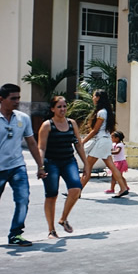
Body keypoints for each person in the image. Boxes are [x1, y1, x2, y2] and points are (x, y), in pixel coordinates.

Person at [0, 83, 46, 247]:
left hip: (17, 167)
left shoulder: (23, 118)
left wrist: (40, 166)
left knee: (23, 200)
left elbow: (32, 143)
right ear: (1, 99)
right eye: (13, 98)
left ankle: (16, 234)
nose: (17, 101)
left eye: (18, 98)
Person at [37, 95, 87, 238]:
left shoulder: (72, 123)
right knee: (52, 195)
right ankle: (51, 230)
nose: (62, 109)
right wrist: (41, 166)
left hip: (68, 161)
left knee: (76, 188)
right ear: (53, 109)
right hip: (51, 162)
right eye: (59, 106)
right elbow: (41, 148)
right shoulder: (47, 125)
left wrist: (86, 165)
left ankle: (63, 218)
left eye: (64, 106)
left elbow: (78, 144)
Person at [79, 90, 130, 197]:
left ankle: (76, 191)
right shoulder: (107, 112)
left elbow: (95, 130)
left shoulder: (101, 112)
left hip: (101, 141)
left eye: (94, 96)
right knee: (111, 166)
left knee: (88, 166)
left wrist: (83, 142)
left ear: (98, 98)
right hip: (106, 141)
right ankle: (123, 188)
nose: (93, 98)